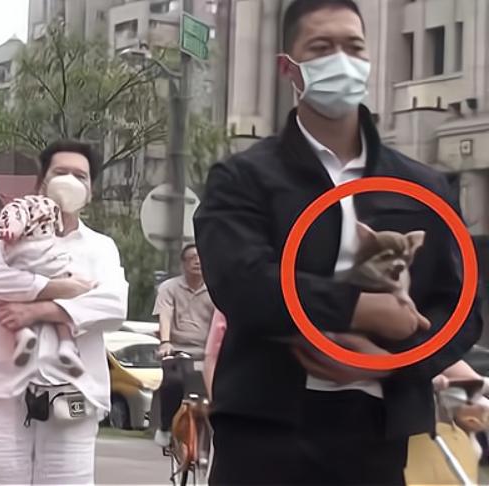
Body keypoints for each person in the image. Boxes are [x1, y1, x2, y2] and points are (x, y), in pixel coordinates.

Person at [193, 1, 483, 484]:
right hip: (264, 429)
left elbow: (462, 308)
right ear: (289, 67)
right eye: (322, 48)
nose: (341, 60)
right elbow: (243, 283)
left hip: (376, 435)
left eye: (353, 47)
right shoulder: (243, 178)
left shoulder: (424, 187)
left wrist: (392, 362)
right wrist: (361, 310)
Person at [0, 140, 128, 485]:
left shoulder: (101, 248)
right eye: (61, 172)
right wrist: (62, 289)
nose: (70, 181)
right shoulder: (5, 233)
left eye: (80, 176)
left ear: (91, 191)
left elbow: (112, 305)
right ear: (41, 183)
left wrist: (37, 310)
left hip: (72, 397)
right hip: (2, 396)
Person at [152, 244, 215, 447]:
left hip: (208, 352)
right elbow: (165, 315)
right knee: (173, 382)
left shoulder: (216, 288)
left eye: (201, 257)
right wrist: (165, 342)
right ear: (183, 264)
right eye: (192, 258)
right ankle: (165, 427)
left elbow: (221, 321)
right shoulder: (169, 288)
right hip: (178, 350)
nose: (197, 261)